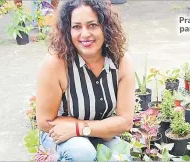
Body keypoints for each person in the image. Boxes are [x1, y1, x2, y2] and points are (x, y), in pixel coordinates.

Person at [35, 0, 135, 161]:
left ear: (105, 27)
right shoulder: (55, 64)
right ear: (67, 31)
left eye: (92, 25)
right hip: (60, 135)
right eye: (76, 27)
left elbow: (124, 121)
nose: (85, 34)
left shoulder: (121, 62)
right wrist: (84, 130)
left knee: (120, 157)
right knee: (82, 152)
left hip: (98, 133)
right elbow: (44, 121)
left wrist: (80, 128)